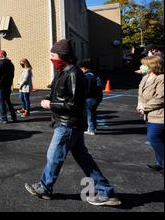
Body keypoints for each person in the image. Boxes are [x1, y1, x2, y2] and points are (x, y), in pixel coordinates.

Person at [25, 39, 121, 207]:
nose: (50, 58)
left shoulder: (74, 74)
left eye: (53, 55)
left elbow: (75, 104)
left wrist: (51, 105)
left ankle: (45, 187)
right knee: (83, 158)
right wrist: (48, 98)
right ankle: (106, 191)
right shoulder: (63, 72)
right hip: (67, 123)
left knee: (54, 155)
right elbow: (57, 93)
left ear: (63, 56)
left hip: (69, 124)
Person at [137, 56, 164, 174]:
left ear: (152, 66)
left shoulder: (161, 78)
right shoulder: (145, 77)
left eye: (144, 65)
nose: (142, 67)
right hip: (149, 115)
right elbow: (140, 94)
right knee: (159, 139)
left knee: (153, 138)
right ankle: (159, 163)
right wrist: (140, 104)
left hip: (159, 115)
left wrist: (145, 107)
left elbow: (161, 98)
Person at [79, 59, 103, 135]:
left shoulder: (88, 76)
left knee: (89, 113)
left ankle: (91, 129)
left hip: (91, 97)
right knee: (93, 112)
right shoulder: (95, 74)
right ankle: (94, 127)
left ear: (84, 68)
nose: (80, 70)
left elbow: (87, 89)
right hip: (98, 95)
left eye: (81, 68)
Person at [0, 50, 17, 123]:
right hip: (8, 85)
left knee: (1, 102)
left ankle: (4, 118)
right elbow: (12, 75)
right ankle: (13, 117)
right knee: (8, 102)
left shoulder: (0, 63)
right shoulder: (11, 64)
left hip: (0, 86)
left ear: (2, 56)